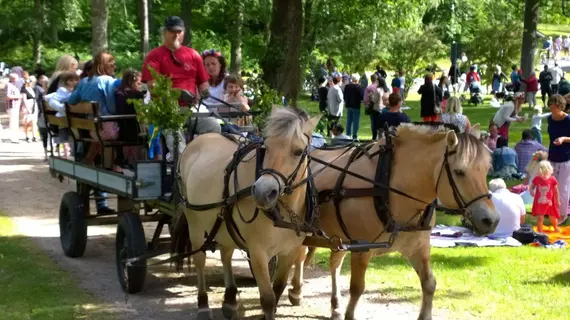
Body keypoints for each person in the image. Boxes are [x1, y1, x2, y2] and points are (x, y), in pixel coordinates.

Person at [141, 16, 212, 156]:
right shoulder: (154, 56)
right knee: (176, 141)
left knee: (213, 126)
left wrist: (205, 91)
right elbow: (152, 86)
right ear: (164, 33)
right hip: (166, 110)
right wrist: (177, 93)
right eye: (172, 31)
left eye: (179, 31)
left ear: (183, 33)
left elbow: (203, 83)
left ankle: (203, 161)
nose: (176, 34)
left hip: (191, 109)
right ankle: (180, 171)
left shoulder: (193, 54)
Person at [546, 94, 570, 224]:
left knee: (563, 188)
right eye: (550, 106)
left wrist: (563, 139)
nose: (552, 109)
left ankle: (562, 215)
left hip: (565, 158)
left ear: (560, 106)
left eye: (554, 107)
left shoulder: (568, 120)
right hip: (552, 156)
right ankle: (551, 211)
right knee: (551, 186)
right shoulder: (550, 119)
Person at [46, 71, 81, 159]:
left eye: (76, 80)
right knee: (65, 136)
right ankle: (66, 155)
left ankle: (72, 154)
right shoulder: (62, 91)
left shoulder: (77, 90)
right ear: (66, 81)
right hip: (64, 117)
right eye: (71, 80)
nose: (74, 82)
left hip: (73, 118)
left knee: (74, 135)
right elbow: (52, 101)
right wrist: (62, 108)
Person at [114, 69, 145, 165]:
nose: (140, 86)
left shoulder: (118, 93)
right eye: (139, 84)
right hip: (133, 131)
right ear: (132, 82)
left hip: (120, 129)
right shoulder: (137, 95)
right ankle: (155, 161)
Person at [530, 160, 561, 233]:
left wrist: (557, 201)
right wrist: (531, 191)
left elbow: (556, 191)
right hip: (540, 202)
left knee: (553, 217)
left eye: (545, 173)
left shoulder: (552, 179)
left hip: (550, 202)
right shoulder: (537, 179)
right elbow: (531, 187)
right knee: (540, 218)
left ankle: (555, 227)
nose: (543, 175)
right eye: (541, 173)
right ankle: (540, 231)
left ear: (549, 170)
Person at [19, 72, 38, 143]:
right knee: (27, 123)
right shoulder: (24, 90)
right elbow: (24, 100)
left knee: (34, 122)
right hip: (27, 108)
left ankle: (34, 136)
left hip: (33, 106)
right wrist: (28, 109)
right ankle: (27, 136)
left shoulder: (32, 89)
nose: (30, 83)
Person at [343, 74, 363, 139]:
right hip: (356, 106)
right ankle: (354, 135)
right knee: (355, 121)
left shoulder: (347, 86)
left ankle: (348, 135)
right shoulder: (359, 87)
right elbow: (361, 97)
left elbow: (344, 96)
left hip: (349, 105)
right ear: (357, 80)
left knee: (349, 121)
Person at [35, 75, 49, 160]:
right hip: (42, 116)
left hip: (45, 116)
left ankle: (48, 154)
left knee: (46, 135)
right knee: (44, 135)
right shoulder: (40, 93)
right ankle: (46, 154)